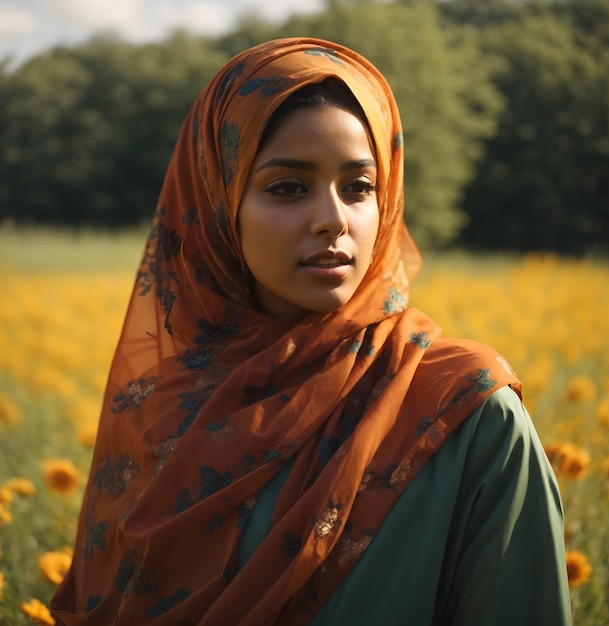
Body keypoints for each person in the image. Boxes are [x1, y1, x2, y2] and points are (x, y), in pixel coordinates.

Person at [51, 37, 572, 625]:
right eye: (287, 188)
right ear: (219, 203)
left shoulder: (465, 412)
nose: (333, 219)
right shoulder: (160, 410)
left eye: (359, 187)